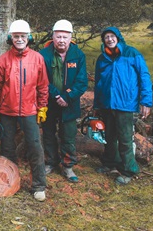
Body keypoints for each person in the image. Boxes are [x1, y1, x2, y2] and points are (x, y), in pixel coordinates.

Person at [0, 20, 49, 201]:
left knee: (35, 147)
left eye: (23, 36)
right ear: (11, 38)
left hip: (30, 110)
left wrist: (42, 107)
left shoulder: (37, 59)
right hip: (7, 111)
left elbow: (43, 86)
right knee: (7, 148)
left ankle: (39, 185)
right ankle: (9, 181)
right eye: (16, 36)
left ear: (28, 37)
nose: (20, 39)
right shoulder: (2, 60)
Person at [94, 26, 153, 185]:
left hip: (125, 104)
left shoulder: (131, 53)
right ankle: (109, 164)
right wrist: (97, 104)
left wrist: (146, 101)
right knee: (109, 136)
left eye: (112, 36)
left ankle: (128, 170)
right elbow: (98, 83)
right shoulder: (102, 58)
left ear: (118, 38)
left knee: (125, 139)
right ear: (104, 40)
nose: (110, 39)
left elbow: (144, 77)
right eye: (106, 37)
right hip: (107, 104)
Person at [39, 20, 88, 183]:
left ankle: (68, 166)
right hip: (49, 101)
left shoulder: (78, 55)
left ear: (70, 38)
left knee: (68, 134)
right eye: (58, 36)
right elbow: (41, 79)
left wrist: (67, 96)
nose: (61, 40)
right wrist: (56, 95)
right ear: (52, 36)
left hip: (70, 103)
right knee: (48, 132)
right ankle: (50, 162)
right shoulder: (43, 55)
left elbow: (82, 82)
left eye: (65, 37)